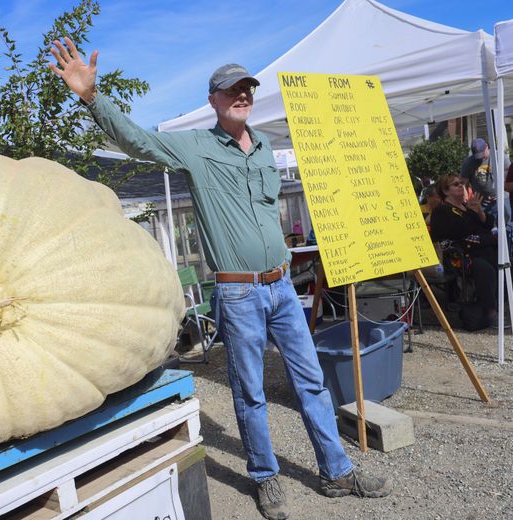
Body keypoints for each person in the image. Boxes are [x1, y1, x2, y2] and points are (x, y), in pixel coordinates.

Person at [49, 37, 392, 520]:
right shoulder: (195, 147)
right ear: (213, 100)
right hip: (238, 290)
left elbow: (268, 211)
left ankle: (335, 472)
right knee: (250, 390)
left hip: (282, 286)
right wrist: (91, 97)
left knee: (312, 382)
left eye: (248, 89)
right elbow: (137, 141)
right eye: (232, 90)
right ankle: (265, 477)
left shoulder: (266, 146)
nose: (243, 96)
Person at [430, 174, 497, 322]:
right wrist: (473, 213)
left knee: (502, 260)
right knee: (483, 267)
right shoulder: (442, 211)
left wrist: (478, 211)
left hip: (477, 249)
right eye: (456, 184)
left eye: (461, 183)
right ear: (446, 191)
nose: (461, 185)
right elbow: (460, 231)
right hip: (458, 257)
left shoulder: (467, 206)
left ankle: (497, 304)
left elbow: (488, 224)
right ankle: (489, 310)